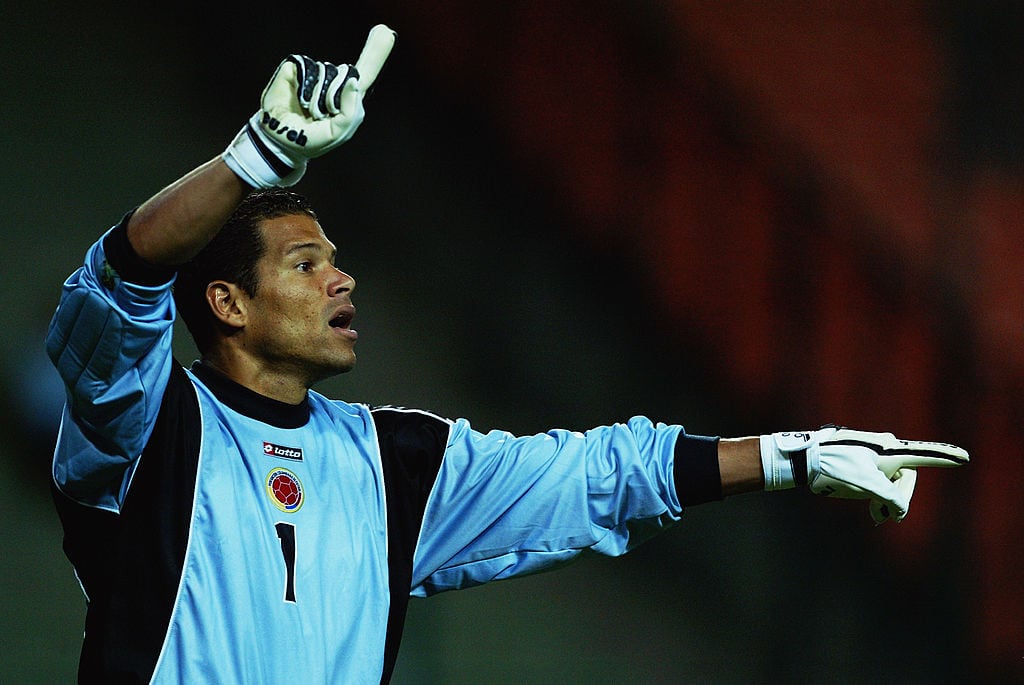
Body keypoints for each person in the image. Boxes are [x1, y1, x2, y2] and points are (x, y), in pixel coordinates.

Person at [45, 24, 969, 684]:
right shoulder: (146, 430)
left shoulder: (397, 464)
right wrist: (255, 159)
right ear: (227, 302)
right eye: (306, 262)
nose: (343, 281)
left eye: (338, 259)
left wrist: (790, 457)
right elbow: (117, 283)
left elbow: (596, 476)